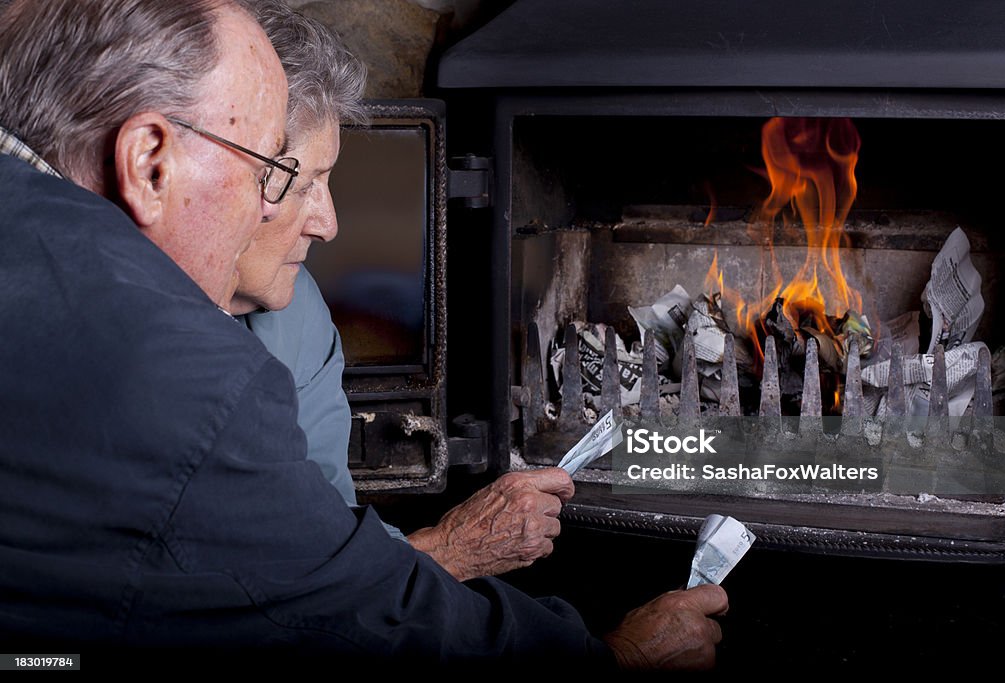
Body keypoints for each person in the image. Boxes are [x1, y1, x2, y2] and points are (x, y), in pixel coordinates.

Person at [0, 0, 727, 668]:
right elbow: (349, 617)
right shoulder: (176, 373)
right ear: (150, 161)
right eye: (275, 173)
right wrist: (611, 658)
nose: (322, 221)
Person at [233, 0, 583, 580]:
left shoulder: (298, 314)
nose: (329, 224)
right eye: (302, 181)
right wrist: (443, 551)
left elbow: (323, 527)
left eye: (329, 180)